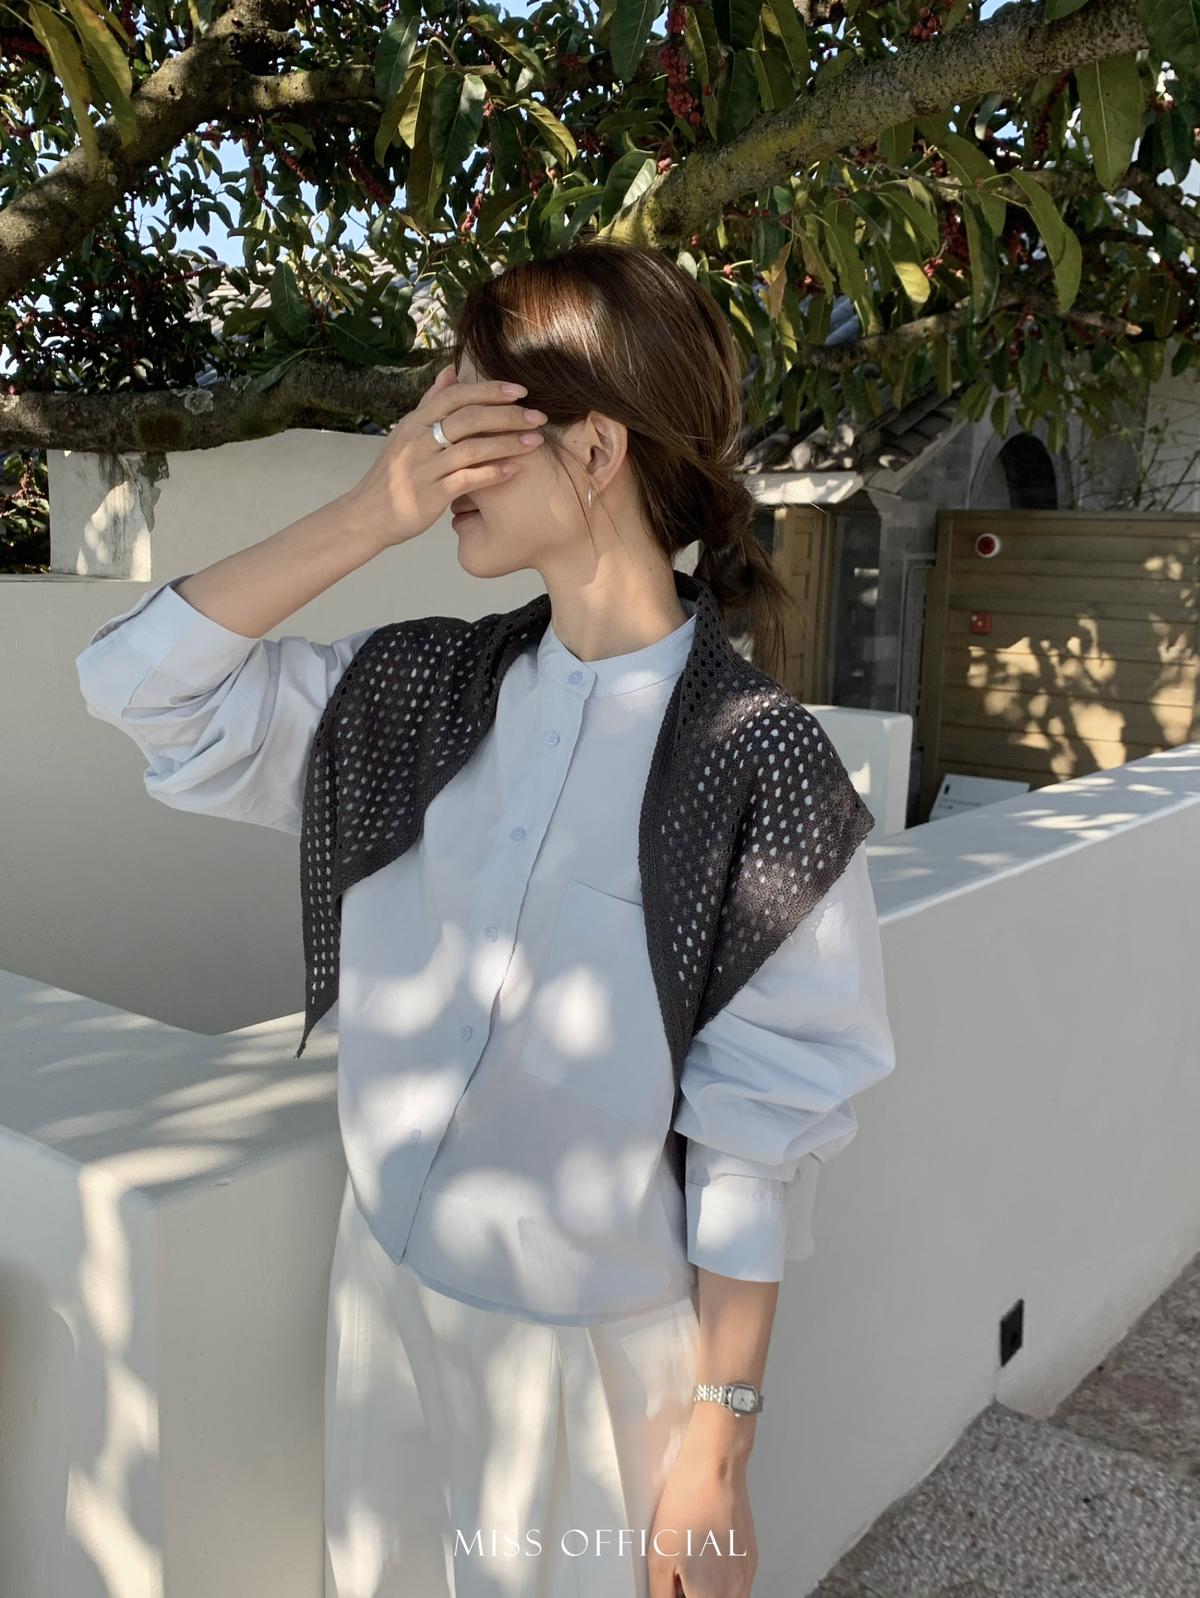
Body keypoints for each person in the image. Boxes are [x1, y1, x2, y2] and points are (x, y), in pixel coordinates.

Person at [75, 238, 896, 1598]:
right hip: (384, 1292)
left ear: (594, 451)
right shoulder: (412, 696)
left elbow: (759, 1131)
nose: (433, 456)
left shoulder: (758, 766)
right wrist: (364, 516)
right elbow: (140, 689)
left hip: (589, 1358)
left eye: (464, 419)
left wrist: (720, 1446)